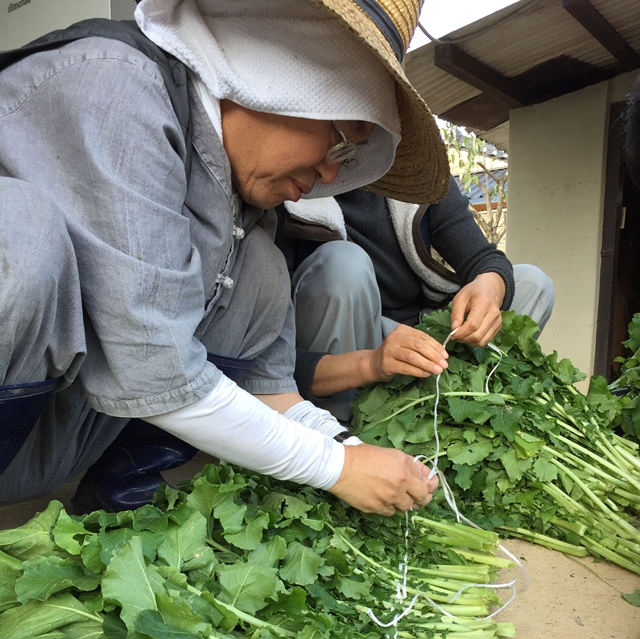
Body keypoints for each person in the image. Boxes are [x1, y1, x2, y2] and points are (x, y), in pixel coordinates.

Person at [0, 0, 452, 517]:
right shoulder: (112, 83)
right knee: (19, 229)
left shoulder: (248, 210)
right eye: (341, 138)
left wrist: (348, 449)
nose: (331, 175)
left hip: (47, 447)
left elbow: (269, 387)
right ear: (280, 74)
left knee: (259, 269)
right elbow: (152, 366)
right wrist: (333, 469)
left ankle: (122, 507)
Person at [276, 178, 555, 420]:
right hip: (355, 352)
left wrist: (488, 289)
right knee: (343, 264)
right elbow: (271, 361)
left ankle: (471, 404)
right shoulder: (284, 191)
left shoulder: (415, 171)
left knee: (533, 283)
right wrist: (371, 364)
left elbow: (484, 259)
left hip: (425, 327)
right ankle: (342, 426)